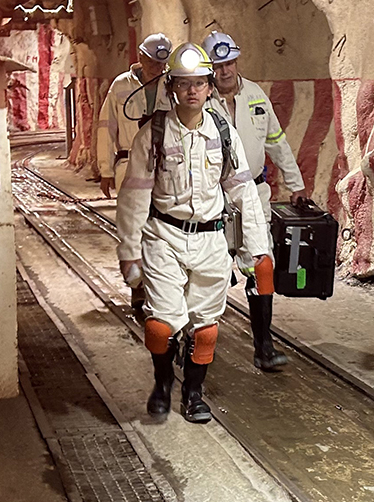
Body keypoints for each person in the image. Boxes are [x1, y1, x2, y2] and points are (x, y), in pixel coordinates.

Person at [116, 42, 273, 422]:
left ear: (208, 87)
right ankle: (162, 383)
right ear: (171, 87)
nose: (192, 90)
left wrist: (256, 247)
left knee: (205, 328)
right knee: (161, 323)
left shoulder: (223, 133)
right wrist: (129, 252)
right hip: (163, 237)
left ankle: (193, 392)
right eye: (184, 83)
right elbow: (134, 196)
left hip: (211, 239)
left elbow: (242, 192)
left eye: (199, 83)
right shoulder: (152, 135)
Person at [202, 31, 306, 372]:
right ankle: (197, 342)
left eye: (229, 63)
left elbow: (277, 141)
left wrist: (296, 184)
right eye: (218, 65)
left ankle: (264, 346)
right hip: (211, 195)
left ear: (237, 62)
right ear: (209, 69)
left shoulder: (257, 96)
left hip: (253, 193)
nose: (225, 71)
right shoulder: (199, 101)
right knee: (206, 271)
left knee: (262, 265)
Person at [97, 32, 172, 319]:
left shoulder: (171, 82)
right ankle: (138, 288)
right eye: (153, 62)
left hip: (164, 164)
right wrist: (104, 169)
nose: (157, 69)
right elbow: (107, 128)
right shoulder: (120, 85)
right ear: (140, 58)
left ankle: (162, 286)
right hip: (129, 163)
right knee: (134, 229)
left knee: (163, 226)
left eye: (161, 64)